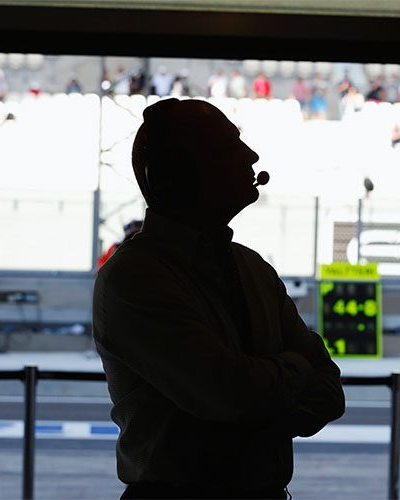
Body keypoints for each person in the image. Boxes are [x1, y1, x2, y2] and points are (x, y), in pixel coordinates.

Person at [93, 98, 345, 499]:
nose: (251, 155)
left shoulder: (253, 268)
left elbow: (329, 392)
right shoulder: (132, 277)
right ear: (173, 175)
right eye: (228, 148)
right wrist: (294, 371)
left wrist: (252, 403)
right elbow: (228, 394)